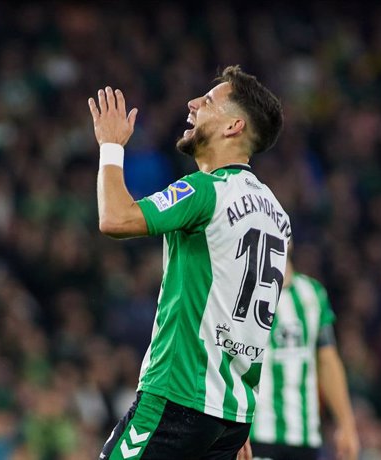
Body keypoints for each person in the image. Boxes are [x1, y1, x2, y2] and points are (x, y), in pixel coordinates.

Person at [88, 65, 291, 459]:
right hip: (232, 413)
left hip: (179, 396)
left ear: (233, 126)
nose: (193, 104)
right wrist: (228, 415)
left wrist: (111, 146)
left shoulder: (206, 189)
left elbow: (115, 218)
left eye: (209, 100)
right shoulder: (276, 213)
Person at [246, 252, 360, 460]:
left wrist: (346, 425)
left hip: (305, 435)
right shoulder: (245, 288)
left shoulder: (313, 293)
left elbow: (327, 360)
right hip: (256, 433)